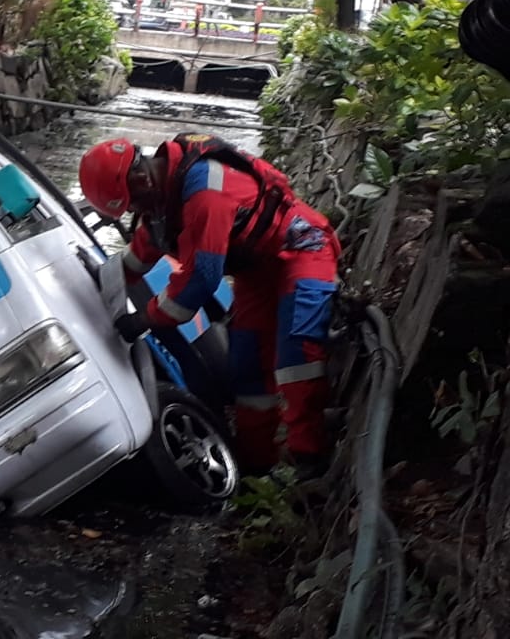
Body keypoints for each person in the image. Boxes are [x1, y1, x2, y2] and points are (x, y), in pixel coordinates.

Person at [77, 134, 342, 477]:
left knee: (296, 354)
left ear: (142, 181)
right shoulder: (163, 198)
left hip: (302, 246)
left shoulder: (204, 195)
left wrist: (143, 320)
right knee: (246, 363)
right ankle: (255, 463)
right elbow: (137, 258)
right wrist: (92, 284)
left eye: (132, 205)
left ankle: (310, 458)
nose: (135, 213)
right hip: (256, 270)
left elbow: (199, 282)